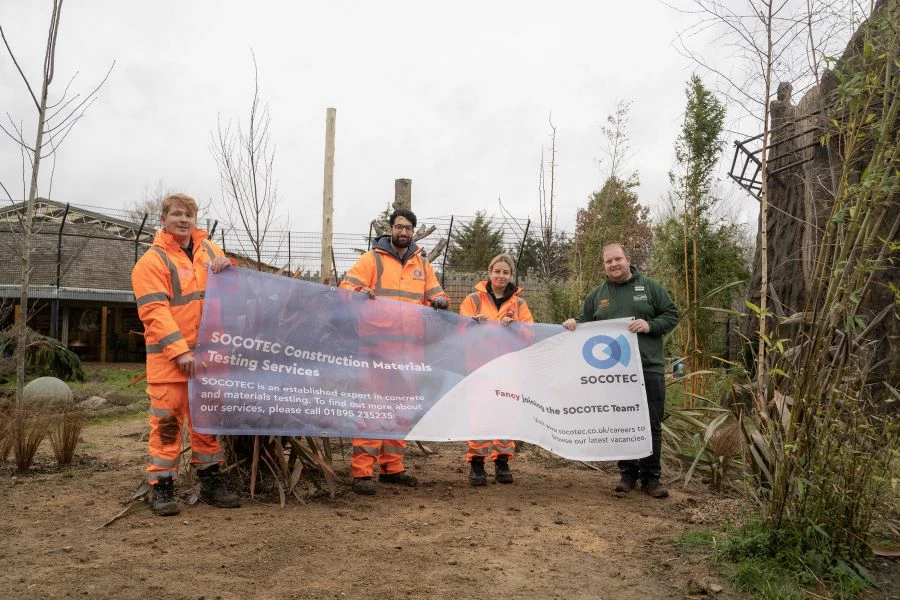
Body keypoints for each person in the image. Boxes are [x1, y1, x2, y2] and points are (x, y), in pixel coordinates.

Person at [131, 193, 241, 515]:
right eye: (177, 214)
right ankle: (161, 487)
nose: (184, 220)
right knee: (167, 426)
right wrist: (179, 352)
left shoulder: (210, 251)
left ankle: (210, 481)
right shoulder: (151, 262)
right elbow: (155, 312)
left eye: (189, 216)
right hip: (170, 363)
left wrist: (229, 266)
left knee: (206, 424)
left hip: (208, 360)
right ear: (163, 219)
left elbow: (232, 289)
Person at [340, 208, 449, 495]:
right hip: (375, 347)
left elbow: (436, 293)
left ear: (413, 232)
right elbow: (346, 287)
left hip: (409, 350)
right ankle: (362, 472)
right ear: (390, 229)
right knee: (371, 407)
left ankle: (393, 466)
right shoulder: (371, 259)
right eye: (399, 227)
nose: (403, 232)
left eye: (408, 228)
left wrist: (439, 300)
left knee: (401, 406)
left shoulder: (422, 265)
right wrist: (360, 293)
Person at [562, 243, 678, 498]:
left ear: (628, 260)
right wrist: (573, 323)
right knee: (620, 421)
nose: (613, 265)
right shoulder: (597, 294)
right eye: (608, 262)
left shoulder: (650, 287)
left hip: (648, 367)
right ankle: (627, 474)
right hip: (613, 373)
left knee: (651, 423)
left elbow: (671, 314)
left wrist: (650, 325)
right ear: (604, 266)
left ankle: (651, 478)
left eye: (618, 259)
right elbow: (584, 323)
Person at [458, 253, 534, 486]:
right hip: (480, 367)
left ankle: (502, 461)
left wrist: (516, 327)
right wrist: (473, 323)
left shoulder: (519, 304)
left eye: (506, 272)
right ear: (489, 273)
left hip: (510, 370)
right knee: (479, 415)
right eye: (497, 271)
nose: (501, 276)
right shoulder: (473, 300)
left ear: (511, 275)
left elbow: (530, 335)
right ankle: (477, 464)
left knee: (506, 415)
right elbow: (460, 331)